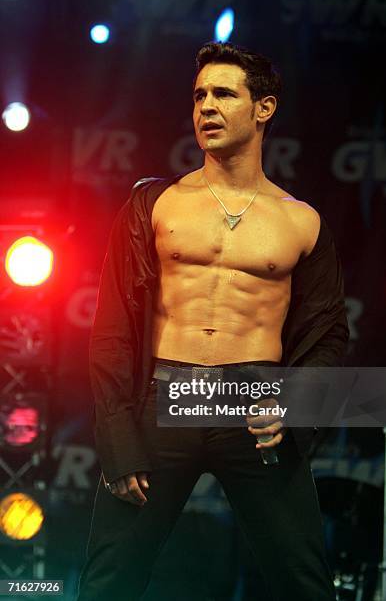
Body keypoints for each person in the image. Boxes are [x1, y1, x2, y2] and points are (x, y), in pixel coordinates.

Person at [76, 41, 349, 601]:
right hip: (168, 394)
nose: (206, 106)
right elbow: (112, 330)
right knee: (110, 580)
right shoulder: (156, 204)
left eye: (224, 93)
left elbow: (328, 336)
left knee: (305, 584)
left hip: (253, 403)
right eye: (199, 95)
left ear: (264, 109)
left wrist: (295, 407)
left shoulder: (302, 221)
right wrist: (118, 437)